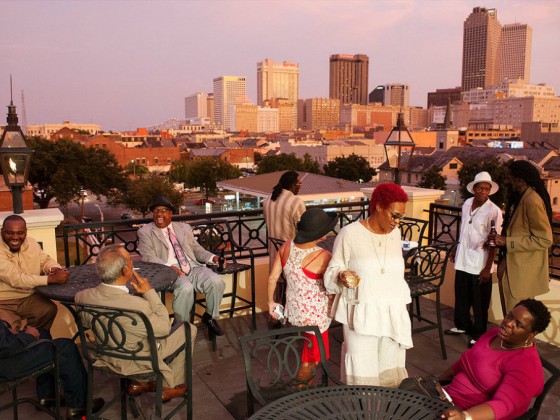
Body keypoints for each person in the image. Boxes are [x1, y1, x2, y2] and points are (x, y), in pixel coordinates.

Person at [76, 245, 197, 402]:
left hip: (107, 356)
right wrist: (149, 292)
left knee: (138, 332)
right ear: (126, 270)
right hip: (138, 361)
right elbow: (164, 329)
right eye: (130, 261)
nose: (133, 262)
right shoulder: (137, 306)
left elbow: (90, 321)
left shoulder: (81, 297)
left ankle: (141, 384)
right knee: (188, 329)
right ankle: (171, 385)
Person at [324, 183, 412, 387]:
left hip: (391, 314)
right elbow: (332, 270)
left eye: (401, 217)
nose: (397, 222)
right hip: (361, 315)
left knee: (389, 373)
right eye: (394, 215)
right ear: (379, 207)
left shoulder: (395, 234)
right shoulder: (349, 234)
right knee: (362, 371)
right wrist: (342, 275)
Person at [440, 298, 551, 420]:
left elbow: (503, 404)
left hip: (474, 414)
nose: (508, 323)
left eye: (518, 324)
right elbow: (465, 362)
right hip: (449, 398)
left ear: (532, 334)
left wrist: (465, 416)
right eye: (510, 316)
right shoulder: (494, 334)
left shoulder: (525, 366)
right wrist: (437, 382)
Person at [137, 197, 226, 337]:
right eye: (156, 211)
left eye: (163, 211)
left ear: (171, 213)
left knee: (217, 281)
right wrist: (169, 267)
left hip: (192, 266)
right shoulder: (145, 232)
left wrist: (212, 257)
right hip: (168, 271)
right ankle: (180, 325)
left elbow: (196, 250)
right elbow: (148, 257)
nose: (159, 214)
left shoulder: (184, 228)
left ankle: (210, 317)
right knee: (186, 288)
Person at [267, 208, 337, 383]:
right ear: (320, 235)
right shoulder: (324, 256)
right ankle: (302, 388)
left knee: (309, 349)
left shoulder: (286, 246)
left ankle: (307, 384)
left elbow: (273, 277)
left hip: (295, 310)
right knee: (311, 358)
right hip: (316, 317)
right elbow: (332, 287)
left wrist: (270, 302)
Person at [0, 320, 105, 419]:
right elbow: (6, 347)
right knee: (66, 347)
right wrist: (28, 336)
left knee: (42, 333)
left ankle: (48, 395)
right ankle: (78, 405)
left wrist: (6, 330)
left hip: (5, 353)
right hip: (6, 364)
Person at [445, 172, 503, 348]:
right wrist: (456, 246)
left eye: (487, 189)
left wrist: (488, 268)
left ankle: (478, 333)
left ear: (490, 191)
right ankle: (462, 325)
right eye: (480, 188)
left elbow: (494, 240)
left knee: (480, 300)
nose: (483, 191)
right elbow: (463, 228)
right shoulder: (467, 204)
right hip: (463, 257)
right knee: (461, 294)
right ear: (474, 188)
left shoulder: (494, 211)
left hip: (480, 261)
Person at [490, 160, 553, 315]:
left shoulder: (532, 201)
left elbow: (545, 239)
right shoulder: (520, 197)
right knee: (510, 316)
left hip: (521, 274)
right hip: (511, 266)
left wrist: (507, 241)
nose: (508, 181)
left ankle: (520, 341)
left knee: (516, 319)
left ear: (520, 179)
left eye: (510, 177)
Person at [0, 214, 69, 332]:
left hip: (28, 297)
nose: (15, 237)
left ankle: (35, 343)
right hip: (3, 301)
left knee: (48, 309)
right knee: (10, 330)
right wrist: (50, 279)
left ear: (26, 232)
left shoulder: (31, 243)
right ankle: (22, 343)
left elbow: (45, 260)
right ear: (2, 231)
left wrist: (54, 269)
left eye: (20, 233)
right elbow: (16, 279)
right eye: (9, 233)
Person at [264, 171, 306, 307]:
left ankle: (279, 315)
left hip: (274, 253)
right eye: (299, 183)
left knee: (279, 287)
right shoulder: (296, 202)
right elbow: (304, 230)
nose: (300, 186)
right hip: (291, 256)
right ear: (293, 186)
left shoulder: (267, 199)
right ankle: (297, 312)